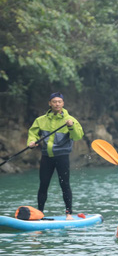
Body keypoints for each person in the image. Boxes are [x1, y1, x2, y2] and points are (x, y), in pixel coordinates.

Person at [27, 92, 84, 220]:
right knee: (43, 184)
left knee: (64, 184)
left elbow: (77, 136)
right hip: (46, 157)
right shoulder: (41, 120)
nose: (57, 104)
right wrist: (31, 141)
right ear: (50, 103)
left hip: (62, 157)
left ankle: (68, 213)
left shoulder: (70, 120)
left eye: (59, 101)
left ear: (63, 103)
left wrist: (71, 126)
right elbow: (33, 133)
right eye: (54, 101)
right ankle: (39, 213)